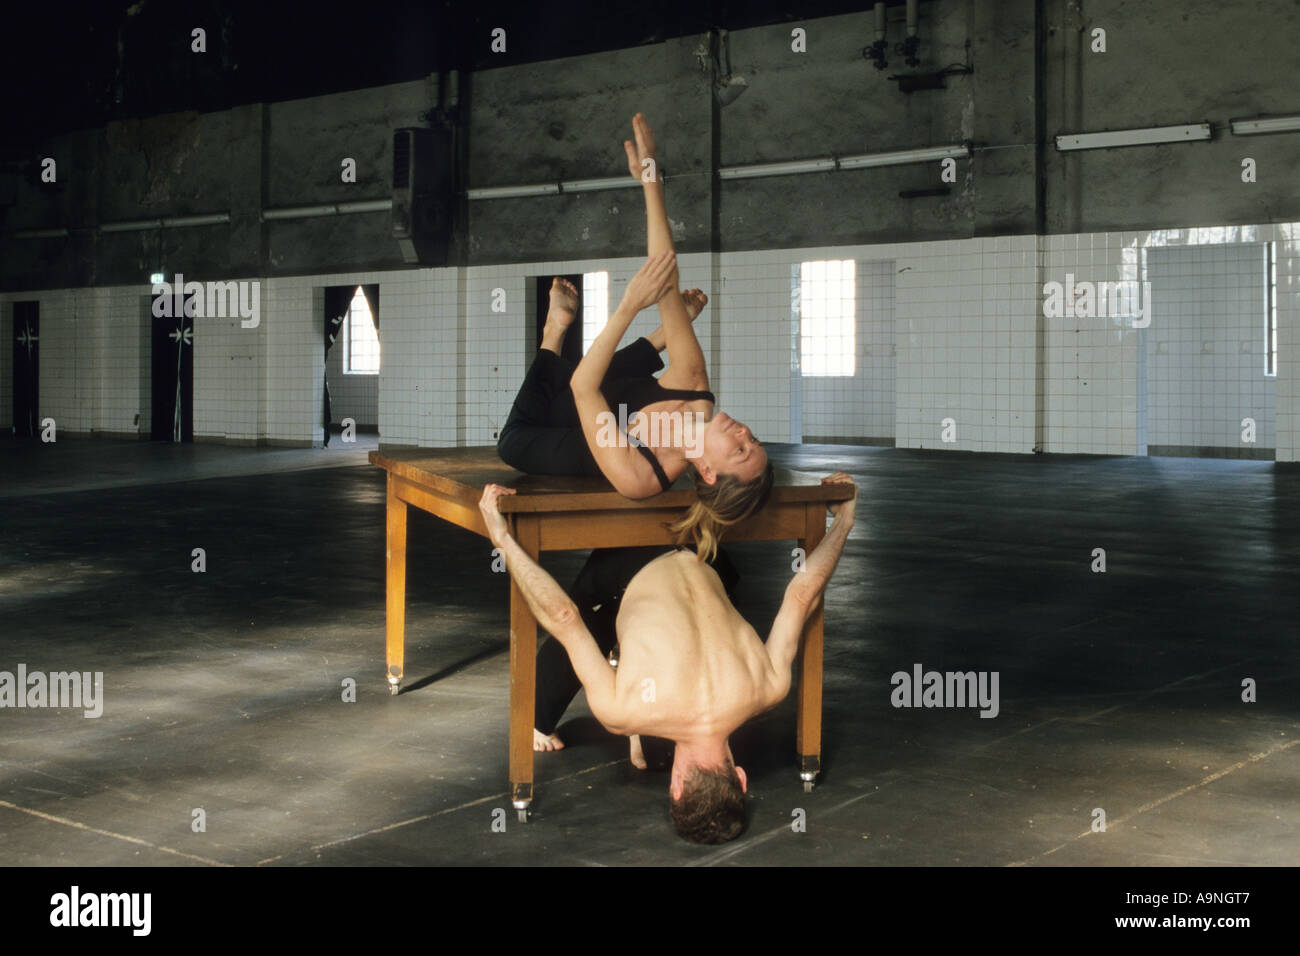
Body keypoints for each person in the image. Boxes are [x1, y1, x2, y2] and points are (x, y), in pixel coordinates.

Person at [480, 472, 857, 844]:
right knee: (585, 624)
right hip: (629, 557)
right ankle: (587, 690)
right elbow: (564, 618)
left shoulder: (771, 687)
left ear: (740, 778)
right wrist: (502, 538)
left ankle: (624, 668)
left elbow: (800, 596)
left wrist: (844, 519)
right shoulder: (621, 712)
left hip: (705, 546)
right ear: (675, 787)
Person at [497, 113, 772, 561]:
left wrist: (627, 305)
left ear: (705, 471)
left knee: (538, 409)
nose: (744, 434)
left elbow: (582, 385)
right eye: (753, 441)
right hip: (596, 399)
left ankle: (554, 334)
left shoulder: (642, 476)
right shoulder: (696, 389)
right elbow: (665, 270)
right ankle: (663, 335)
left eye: (739, 451)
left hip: (546, 437)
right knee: (619, 377)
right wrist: (650, 179)